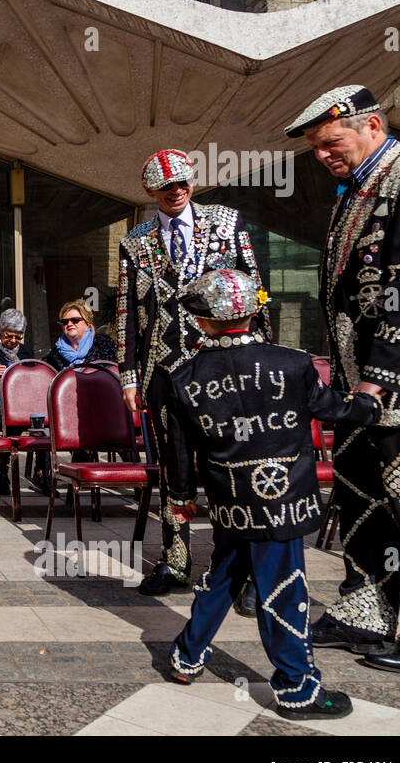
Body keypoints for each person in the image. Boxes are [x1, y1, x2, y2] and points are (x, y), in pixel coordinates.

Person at [156, 269, 381, 718]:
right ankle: (297, 689)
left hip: (230, 502)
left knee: (224, 574)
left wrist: (180, 499)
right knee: (283, 590)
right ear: (256, 311)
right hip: (281, 504)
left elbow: (176, 454)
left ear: (203, 322)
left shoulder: (179, 376)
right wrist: (369, 403)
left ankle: (186, 657)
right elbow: (333, 408)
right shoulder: (292, 363)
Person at [288, 84, 400, 673]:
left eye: (333, 142)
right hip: (357, 389)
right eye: (318, 148)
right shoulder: (355, 190)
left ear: (373, 126)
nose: (325, 154)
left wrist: (377, 382)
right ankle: (364, 612)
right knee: (357, 501)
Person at [117, 148, 270, 596]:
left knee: (234, 468)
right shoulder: (136, 241)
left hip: (225, 367)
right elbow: (127, 312)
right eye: (167, 187)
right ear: (150, 192)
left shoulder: (226, 222)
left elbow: (255, 290)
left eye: (183, 182)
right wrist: (129, 375)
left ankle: (240, 572)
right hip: (164, 373)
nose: (177, 191)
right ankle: (176, 560)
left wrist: (259, 357)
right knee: (174, 471)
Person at [41, 299, 117, 369]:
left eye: (75, 320)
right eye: (65, 322)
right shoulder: (55, 354)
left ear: (87, 323)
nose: (69, 324)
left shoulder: (104, 345)